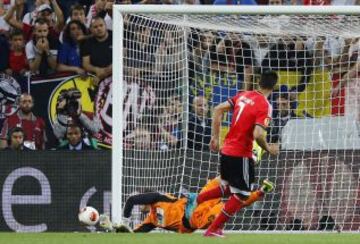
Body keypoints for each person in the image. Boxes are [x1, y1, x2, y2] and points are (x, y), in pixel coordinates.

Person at [197, 70, 280, 237]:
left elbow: (218, 109)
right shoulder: (265, 105)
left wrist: (215, 137)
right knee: (242, 194)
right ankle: (212, 230)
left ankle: (196, 200)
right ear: (274, 86)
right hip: (241, 153)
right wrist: (269, 148)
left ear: (258, 82)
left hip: (226, 150)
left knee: (229, 188)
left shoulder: (243, 95)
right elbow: (258, 134)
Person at [100, 177, 224, 233]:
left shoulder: (158, 198)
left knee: (215, 183)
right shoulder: (152, 220)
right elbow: (133, 236)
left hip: (192, 208)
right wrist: (113, 228)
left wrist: (124, 221)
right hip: (191, 221)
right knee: (223, 207)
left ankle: (236, 175)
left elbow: (131, 200)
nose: (140, 204)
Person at [81, 16, 112, 85]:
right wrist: (97, 70)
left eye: (101, 25)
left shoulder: (115, 37)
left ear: (106, 26)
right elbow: (85, 64)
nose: (99, 28)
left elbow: (120, 60)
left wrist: (102, 74)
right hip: (95, 77)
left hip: (115, 76)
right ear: (91, 30)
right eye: (95, 27)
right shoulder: (87, 43)